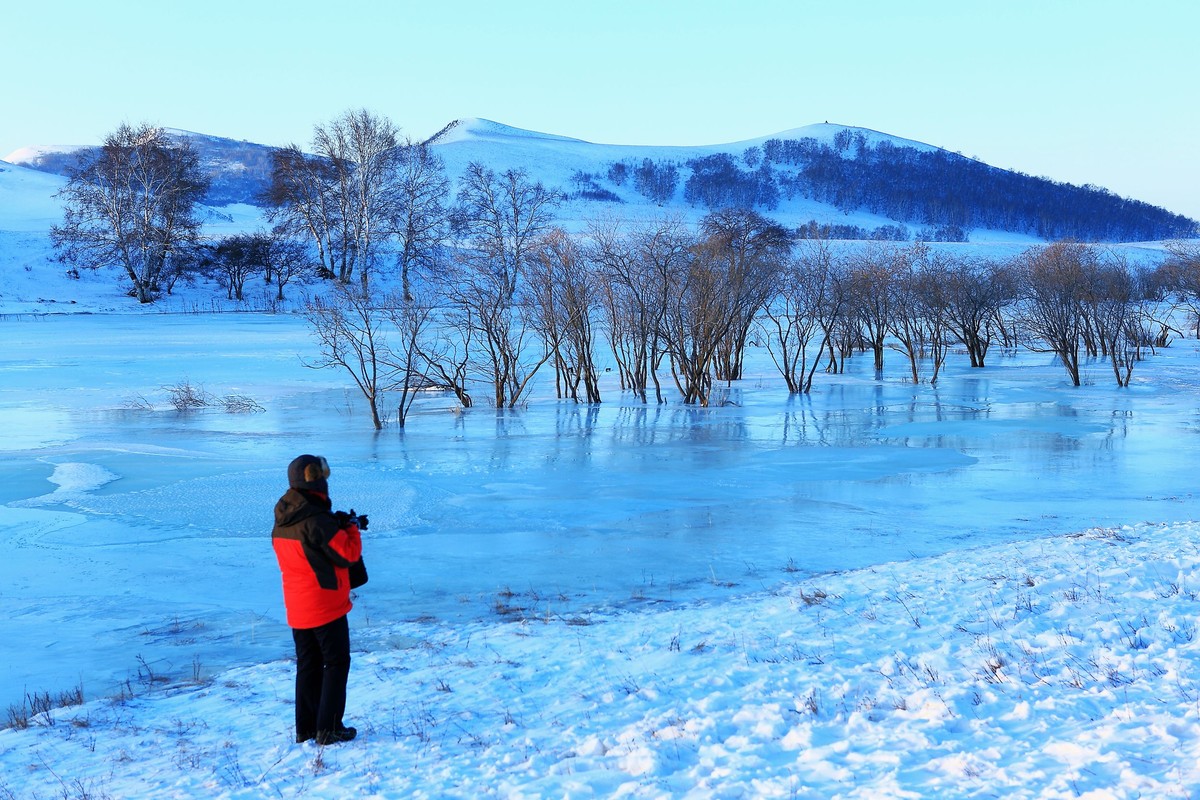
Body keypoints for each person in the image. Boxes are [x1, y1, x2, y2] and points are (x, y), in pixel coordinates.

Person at [271, 454, 363, 745]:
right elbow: (347, 553)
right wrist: (351, 528)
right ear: (317, 480)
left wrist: (334, 523)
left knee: (308, 665)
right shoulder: (317, 521)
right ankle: (329, 728)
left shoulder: (284, 519)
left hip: (297, 606)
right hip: (325, 605)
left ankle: (307, 728)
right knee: (336, 663)